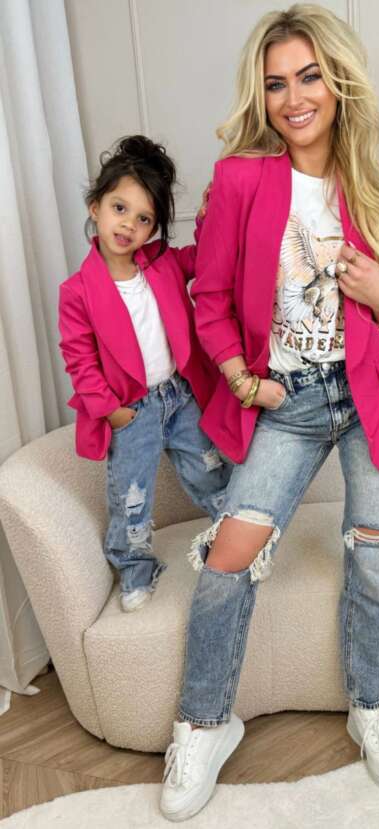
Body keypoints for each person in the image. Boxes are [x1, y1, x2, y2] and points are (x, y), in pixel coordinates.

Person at [160, 4, 379, 821]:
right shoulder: (242, 181)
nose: (294, 98)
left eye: (309, 76)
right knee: (229, 558)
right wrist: (244, 381)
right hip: (289, 399)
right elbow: (210, 299)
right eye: (276, 83)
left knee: (373, 554)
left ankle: (370, 708)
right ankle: (205, 723)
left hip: (372, 392)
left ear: (339, 81)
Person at [58, 135, 230, 613]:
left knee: (211, 472)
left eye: (144, 219)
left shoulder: (162, 263)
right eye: (119, 208)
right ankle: (135, 568)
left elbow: (206, 255)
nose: (128, 225)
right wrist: (109, 410)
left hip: (180, 396)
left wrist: (210, 213)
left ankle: (240, 541)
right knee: (131, 496)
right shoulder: (78, 291)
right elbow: (78, 357)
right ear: (95, 207)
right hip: (131, 410)